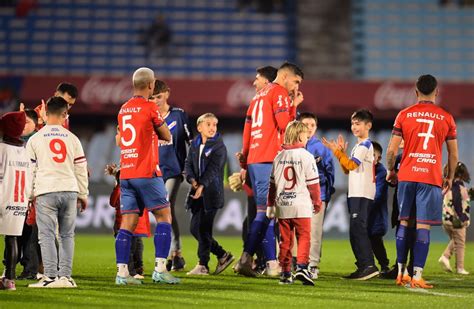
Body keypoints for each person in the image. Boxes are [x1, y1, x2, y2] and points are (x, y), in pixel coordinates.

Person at [386, 74, 458, 289]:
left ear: (416, 92)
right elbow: (453, 154)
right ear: (437, 91)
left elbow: (391, 149)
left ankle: (400, 273)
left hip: (407, 175)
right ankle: (416, 275)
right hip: (430, 177)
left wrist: (391, 170)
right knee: (423, 226)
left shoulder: (404, 115)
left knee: (405, 222)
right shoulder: (446, 117)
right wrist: (451, 176)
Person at [234, 62, 304, 277]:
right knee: (266, 213)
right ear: (285, 76)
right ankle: (246, 259)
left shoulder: (257, 97)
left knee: (268, 213)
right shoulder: (279, 92)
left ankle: (271, 264)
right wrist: (293, 106)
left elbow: (247, 132)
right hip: (268, 159)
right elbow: (286, 126)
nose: (296, 86)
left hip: (255, 160)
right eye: (296, 81)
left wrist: (245, 163)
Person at [114, 67, 179, 285]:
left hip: (127, 173)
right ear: (151, 85)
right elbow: (166, 134)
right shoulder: (150, 106)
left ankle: (122, 274)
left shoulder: (123, 110)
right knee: (164, 217)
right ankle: (160, 269)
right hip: (147, 171)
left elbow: (122, 138)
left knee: (128, 222)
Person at [26, 96, 88, 288]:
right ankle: (66, 278)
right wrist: (83, 194)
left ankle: (50, 277)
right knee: (67, 235)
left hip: (46, 190)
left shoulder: (35, 139)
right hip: (69, 189)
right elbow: (81, 167)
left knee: (46, 235)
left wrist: (29, 195)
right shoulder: (73, 138)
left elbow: (30, 171)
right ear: (64, 114)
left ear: (45, 114)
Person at [322, 109, 379, 280]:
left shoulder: (365, 145)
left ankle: (369, 265)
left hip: (362, 193)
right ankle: (363, 265)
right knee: (355, 230)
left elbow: (352, 166)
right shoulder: (358, 146)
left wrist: (337, 152)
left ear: (368, 125)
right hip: (356, 192)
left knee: (358, 229)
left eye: (358, 123)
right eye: (353, 123)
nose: (354, 127)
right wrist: (341, 155)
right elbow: (348, 170)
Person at [266, 120, 322, 285]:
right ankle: (302, 267)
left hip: (283, 204)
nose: (307, 139)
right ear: (299, 135)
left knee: (285, 240)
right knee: (304, 236)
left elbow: (272, 185)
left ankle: (285, 272)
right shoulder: (306, 156)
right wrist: (317, 202)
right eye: (305, 136)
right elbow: (313, 184)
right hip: (301, 204)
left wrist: (270, 205)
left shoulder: (278, 156)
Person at [149, 79, 193, 271]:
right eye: (152, 97)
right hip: (154, 171)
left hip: (174, 171)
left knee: (165, 207)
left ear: (167, 93)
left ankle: (169, 255)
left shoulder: (178, 115)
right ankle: (176, 254)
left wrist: (191, 169)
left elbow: (192, 142)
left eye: (158, 96)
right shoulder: (150, 117)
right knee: (165, 212)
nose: (156, 100)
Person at [184, 113, 234, 275]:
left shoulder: (219, 147)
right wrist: (192, 180)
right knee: (194, 229)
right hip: (197, 193)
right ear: (199, 128)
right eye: (208, 124)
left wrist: (201, 186)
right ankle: (222, 255)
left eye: (214, 125)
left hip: (211, 194)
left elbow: (213, 170)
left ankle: (202, 265)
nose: (212, 128)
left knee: (203, 229)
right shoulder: (194, 145)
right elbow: (188, 164)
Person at [298, 112, 335, 278]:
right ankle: (296, 262)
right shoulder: (293, 145)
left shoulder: (321, 148)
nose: (309, 128)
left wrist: (326, 193)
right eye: (305, 125)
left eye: (312, 125)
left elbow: (330, 172)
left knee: (314, 231)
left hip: (317, 195)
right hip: (297, 195)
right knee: (295, 231)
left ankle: (312, 264)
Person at [0, 111, 30, 291]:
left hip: (3, 197)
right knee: (12, 239)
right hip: (18, 201)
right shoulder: (25, 152)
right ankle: (9, 280)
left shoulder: (2, 149)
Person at [106, 162, 150, 280]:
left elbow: (113, 202)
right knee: (131, 247)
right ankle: (131, 270)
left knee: (135, 247)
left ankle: (136, 269)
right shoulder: (130, 187)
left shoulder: (125, 187)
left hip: (130, 224)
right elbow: (113, 202)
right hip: (125, 225)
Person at [439, 162, 470, 275]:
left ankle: (445, 257)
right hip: (455, 219)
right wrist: (462, 217)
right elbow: (457, 201)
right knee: (460, 243)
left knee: (456, 240)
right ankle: (459, 267)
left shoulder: (449, 184)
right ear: (461, 173)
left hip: (446, 218)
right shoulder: (457, 185)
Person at [367, 141, 390, 276]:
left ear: (379, 158)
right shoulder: (362, 170)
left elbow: (379, 194)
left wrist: (364, 205)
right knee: (364, 240)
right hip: (365, 214)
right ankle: (367, 265)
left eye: (372, 155)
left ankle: (384, 265)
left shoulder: (381, 172)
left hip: (376, 216)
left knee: (375, 240)